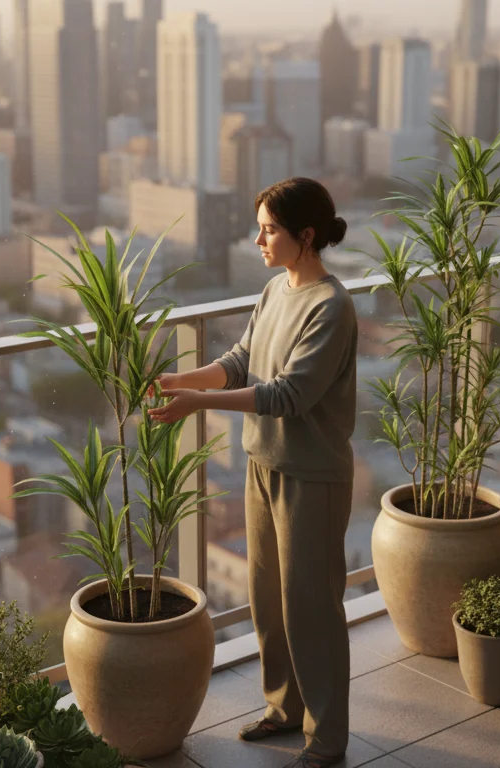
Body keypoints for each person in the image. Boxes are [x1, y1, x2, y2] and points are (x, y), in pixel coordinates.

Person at [148, 177, 358, 768]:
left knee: (311, 607)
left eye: (268, 229)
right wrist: (181, 381)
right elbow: (241, 363)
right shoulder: (274, 290)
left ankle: (327, 739)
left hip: (311, 477)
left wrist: (198, 404)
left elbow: (288, 394)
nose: (258, 238)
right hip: (262, 464)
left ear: (306, 235)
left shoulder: (332, 307)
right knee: (268, 600)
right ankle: (284, 707)